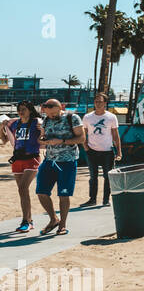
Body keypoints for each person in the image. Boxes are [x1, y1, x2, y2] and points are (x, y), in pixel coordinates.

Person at [35, 98, 84, 236]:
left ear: (60, 108)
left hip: (67, 161)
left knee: (63, 194)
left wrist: (61, 141)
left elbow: (81, 138)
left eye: (54, 115)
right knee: (41, 192)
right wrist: (44, 140)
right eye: (49, 114)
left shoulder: (72, 118)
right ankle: (53, 219)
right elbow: (41, 138)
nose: (51, 117)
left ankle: (62, 225)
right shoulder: (46, 120)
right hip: (49, 160)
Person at [3, 100, 43, 233]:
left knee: (23, 188)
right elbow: (4, 140)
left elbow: (44, 133)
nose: (21, 111)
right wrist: (1, 127)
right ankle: (29, 220)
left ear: (30, 110)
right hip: (17, 159)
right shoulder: (14, 124)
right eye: (19, 109)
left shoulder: (36, 122)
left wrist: (43, 132)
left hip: (32, 159)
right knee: (22, 191)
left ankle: (26, 221)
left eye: (24, 109)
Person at [80, 92, 121, 208]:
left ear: (105, 103)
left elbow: (116, 135)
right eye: (96, 101)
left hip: (107, 151)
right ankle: (92, 199)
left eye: (100, 102)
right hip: (92, 151)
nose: (98, 104)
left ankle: (106, 200)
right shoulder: (88, 117)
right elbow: (83, 133)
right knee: (93, 177)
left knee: (108, 177)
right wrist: (86, 147)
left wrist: (119, 151)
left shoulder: (111, 117)